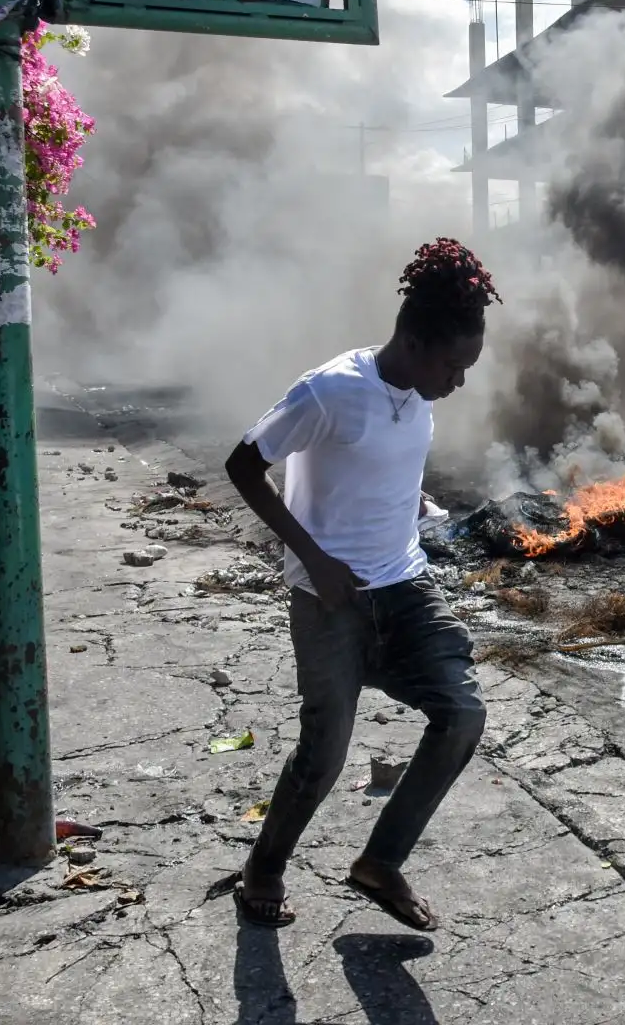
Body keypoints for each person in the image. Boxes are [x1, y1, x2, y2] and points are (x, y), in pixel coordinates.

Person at [225, 239, 499, 931]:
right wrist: (314, 560)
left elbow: (384, 461)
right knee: (324, 755)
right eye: (452, 365)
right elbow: (241, 465)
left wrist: (409, 498)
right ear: (412, 339)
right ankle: (265, 869)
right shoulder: (331, 391)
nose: (458, 382)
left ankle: (380, 863)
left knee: (462, 715)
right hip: (330, 600)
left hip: (405, 587)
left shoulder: (418, 396)